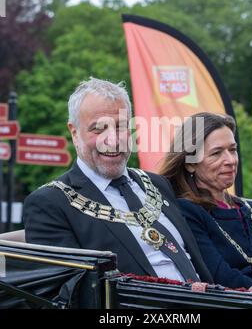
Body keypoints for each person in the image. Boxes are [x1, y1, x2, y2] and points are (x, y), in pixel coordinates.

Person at [23, 77, 212, 285]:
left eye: (121, 127)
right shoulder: (51, 203)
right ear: (74, 133)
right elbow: (68, 294)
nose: (113, 140)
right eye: (99, 129)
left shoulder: (158, 184)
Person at [160, 112, 252, 292]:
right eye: (216, 153)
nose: (231, 160)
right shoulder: (186, 211)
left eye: (232, 150)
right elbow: (221, 277)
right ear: (190, 164)